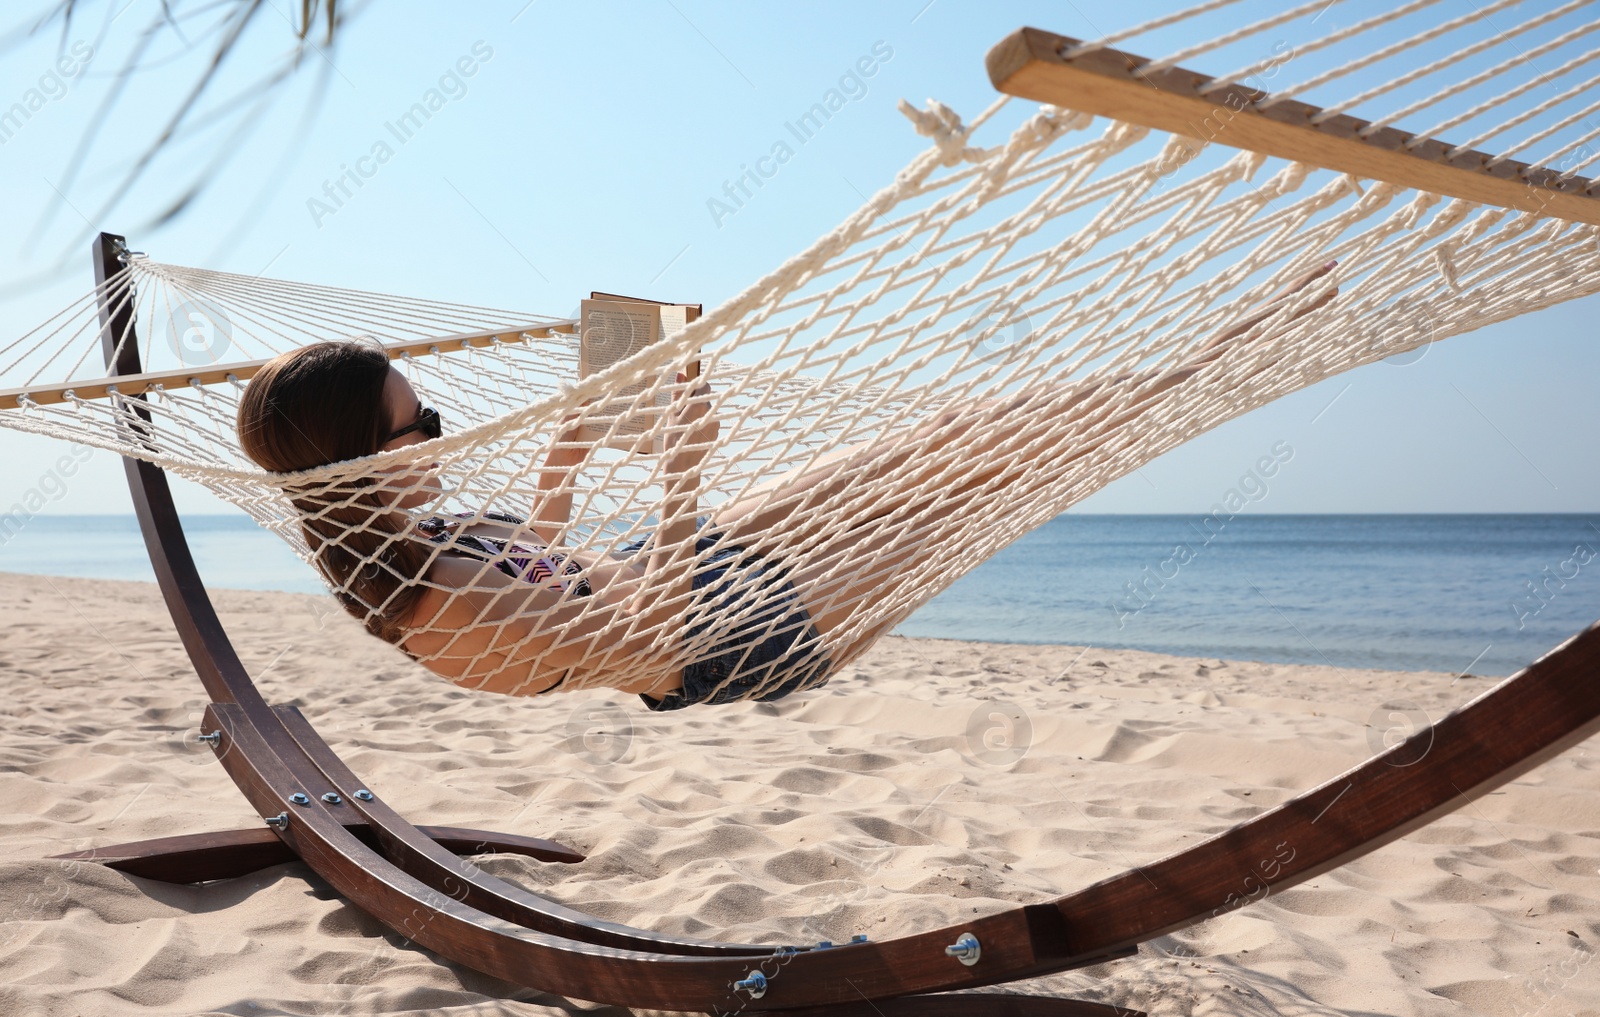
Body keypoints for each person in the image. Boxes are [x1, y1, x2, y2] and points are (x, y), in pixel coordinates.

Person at [237, 262, 1336, 709]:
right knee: (990, 488)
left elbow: (547, 554)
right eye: (418, 422)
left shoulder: (410, 533)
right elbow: (645, 645)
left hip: (691, 565)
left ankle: (1206, 359)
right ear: (364, 460)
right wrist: (678, 473)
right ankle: (1228, 371)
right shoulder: (441, 604)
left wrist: (572, 449)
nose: (439, 431)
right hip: (734, 635)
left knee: (948, 436)